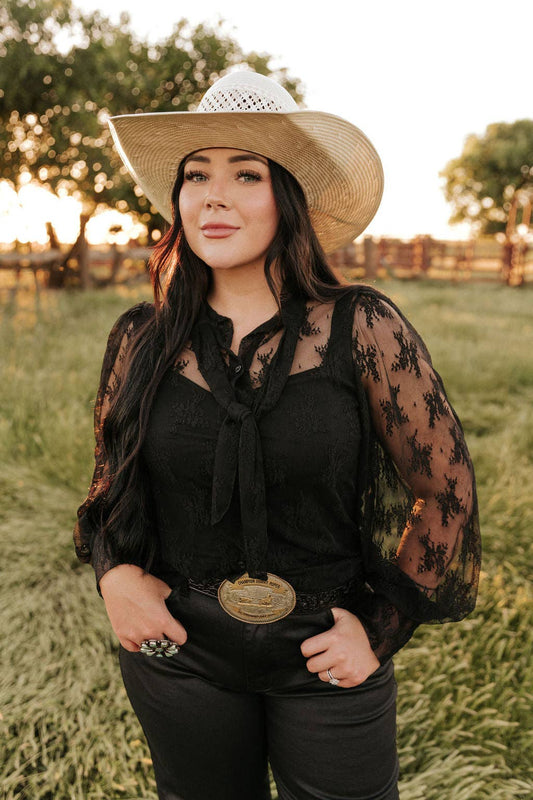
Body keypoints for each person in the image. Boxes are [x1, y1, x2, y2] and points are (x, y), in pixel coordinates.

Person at [74, 70, 481, 800]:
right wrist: (114, 574)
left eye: (245, 174)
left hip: (322, 656)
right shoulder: (142, 336)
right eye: (195, 175)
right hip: (181, 653)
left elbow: (442, 488)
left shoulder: (361, 326)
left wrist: (376, 628)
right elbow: (111, 480)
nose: (213, 195)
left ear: (286, 197)